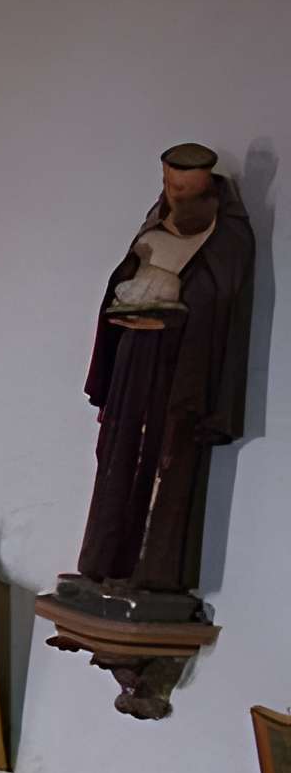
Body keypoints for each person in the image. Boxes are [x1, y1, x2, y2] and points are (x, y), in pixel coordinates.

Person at [76, 143, 254, 598]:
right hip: (136, 364)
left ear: (207, 188)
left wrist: (174, 316)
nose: (176, 199)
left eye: (186, 191)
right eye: (170, 188)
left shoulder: (228, 239)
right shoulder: (154, 227)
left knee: (168, 464)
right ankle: (103, 563)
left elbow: (222, 308)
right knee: (118, 458)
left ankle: (153, 576)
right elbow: (124, 282)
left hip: (183, 376)